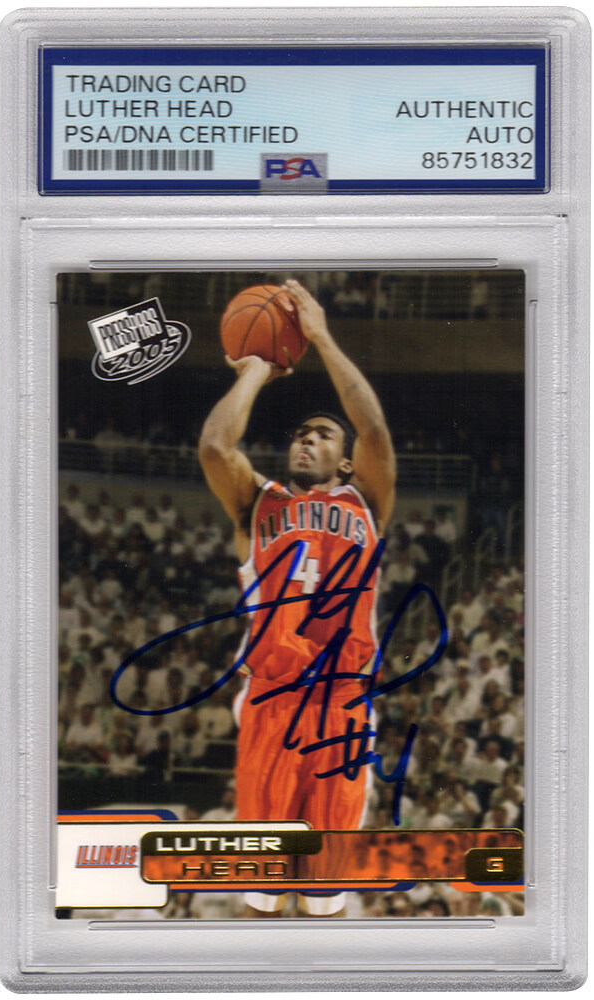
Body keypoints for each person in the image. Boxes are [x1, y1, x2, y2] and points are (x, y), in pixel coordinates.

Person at [199, 279, 396, 917]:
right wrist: (257, 368)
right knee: (259, 892)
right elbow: (214, 447)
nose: (305, 440)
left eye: (322, 435)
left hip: (341, 701)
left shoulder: (364, 501)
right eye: (299, 434)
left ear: (347, 462)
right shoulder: (259, 504)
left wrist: (320, 337)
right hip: (274, 700)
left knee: (324, 896)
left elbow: (372, 427)